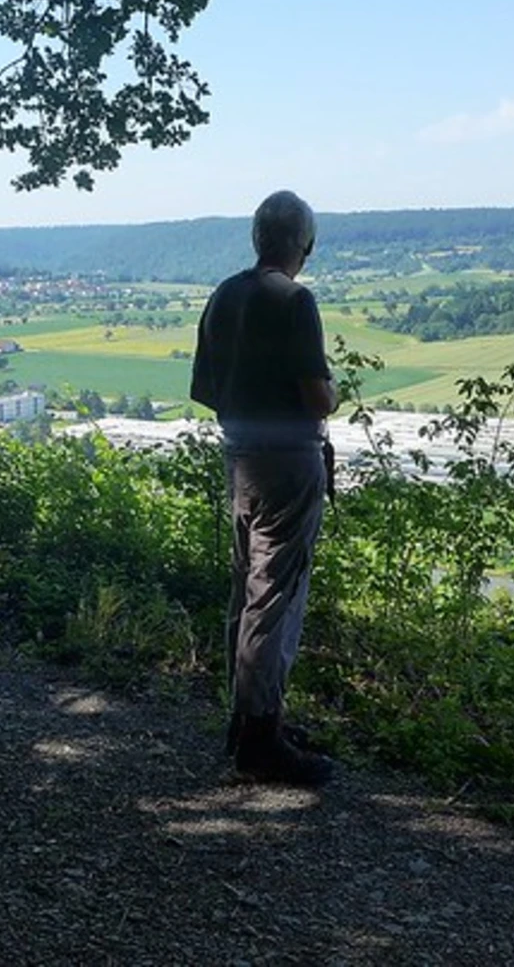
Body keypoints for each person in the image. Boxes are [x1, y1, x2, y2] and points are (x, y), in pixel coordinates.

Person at [189, 189, 337, 788]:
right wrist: (329, 399)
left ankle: (249, 718)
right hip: (289, 464)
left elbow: (204, 389)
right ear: (305, 244)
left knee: (245, 590)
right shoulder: (296, 301)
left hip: (240, 458)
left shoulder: (225, 295)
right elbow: (317, 395)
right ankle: (259, 738)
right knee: (274, 596)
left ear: (256, 240)